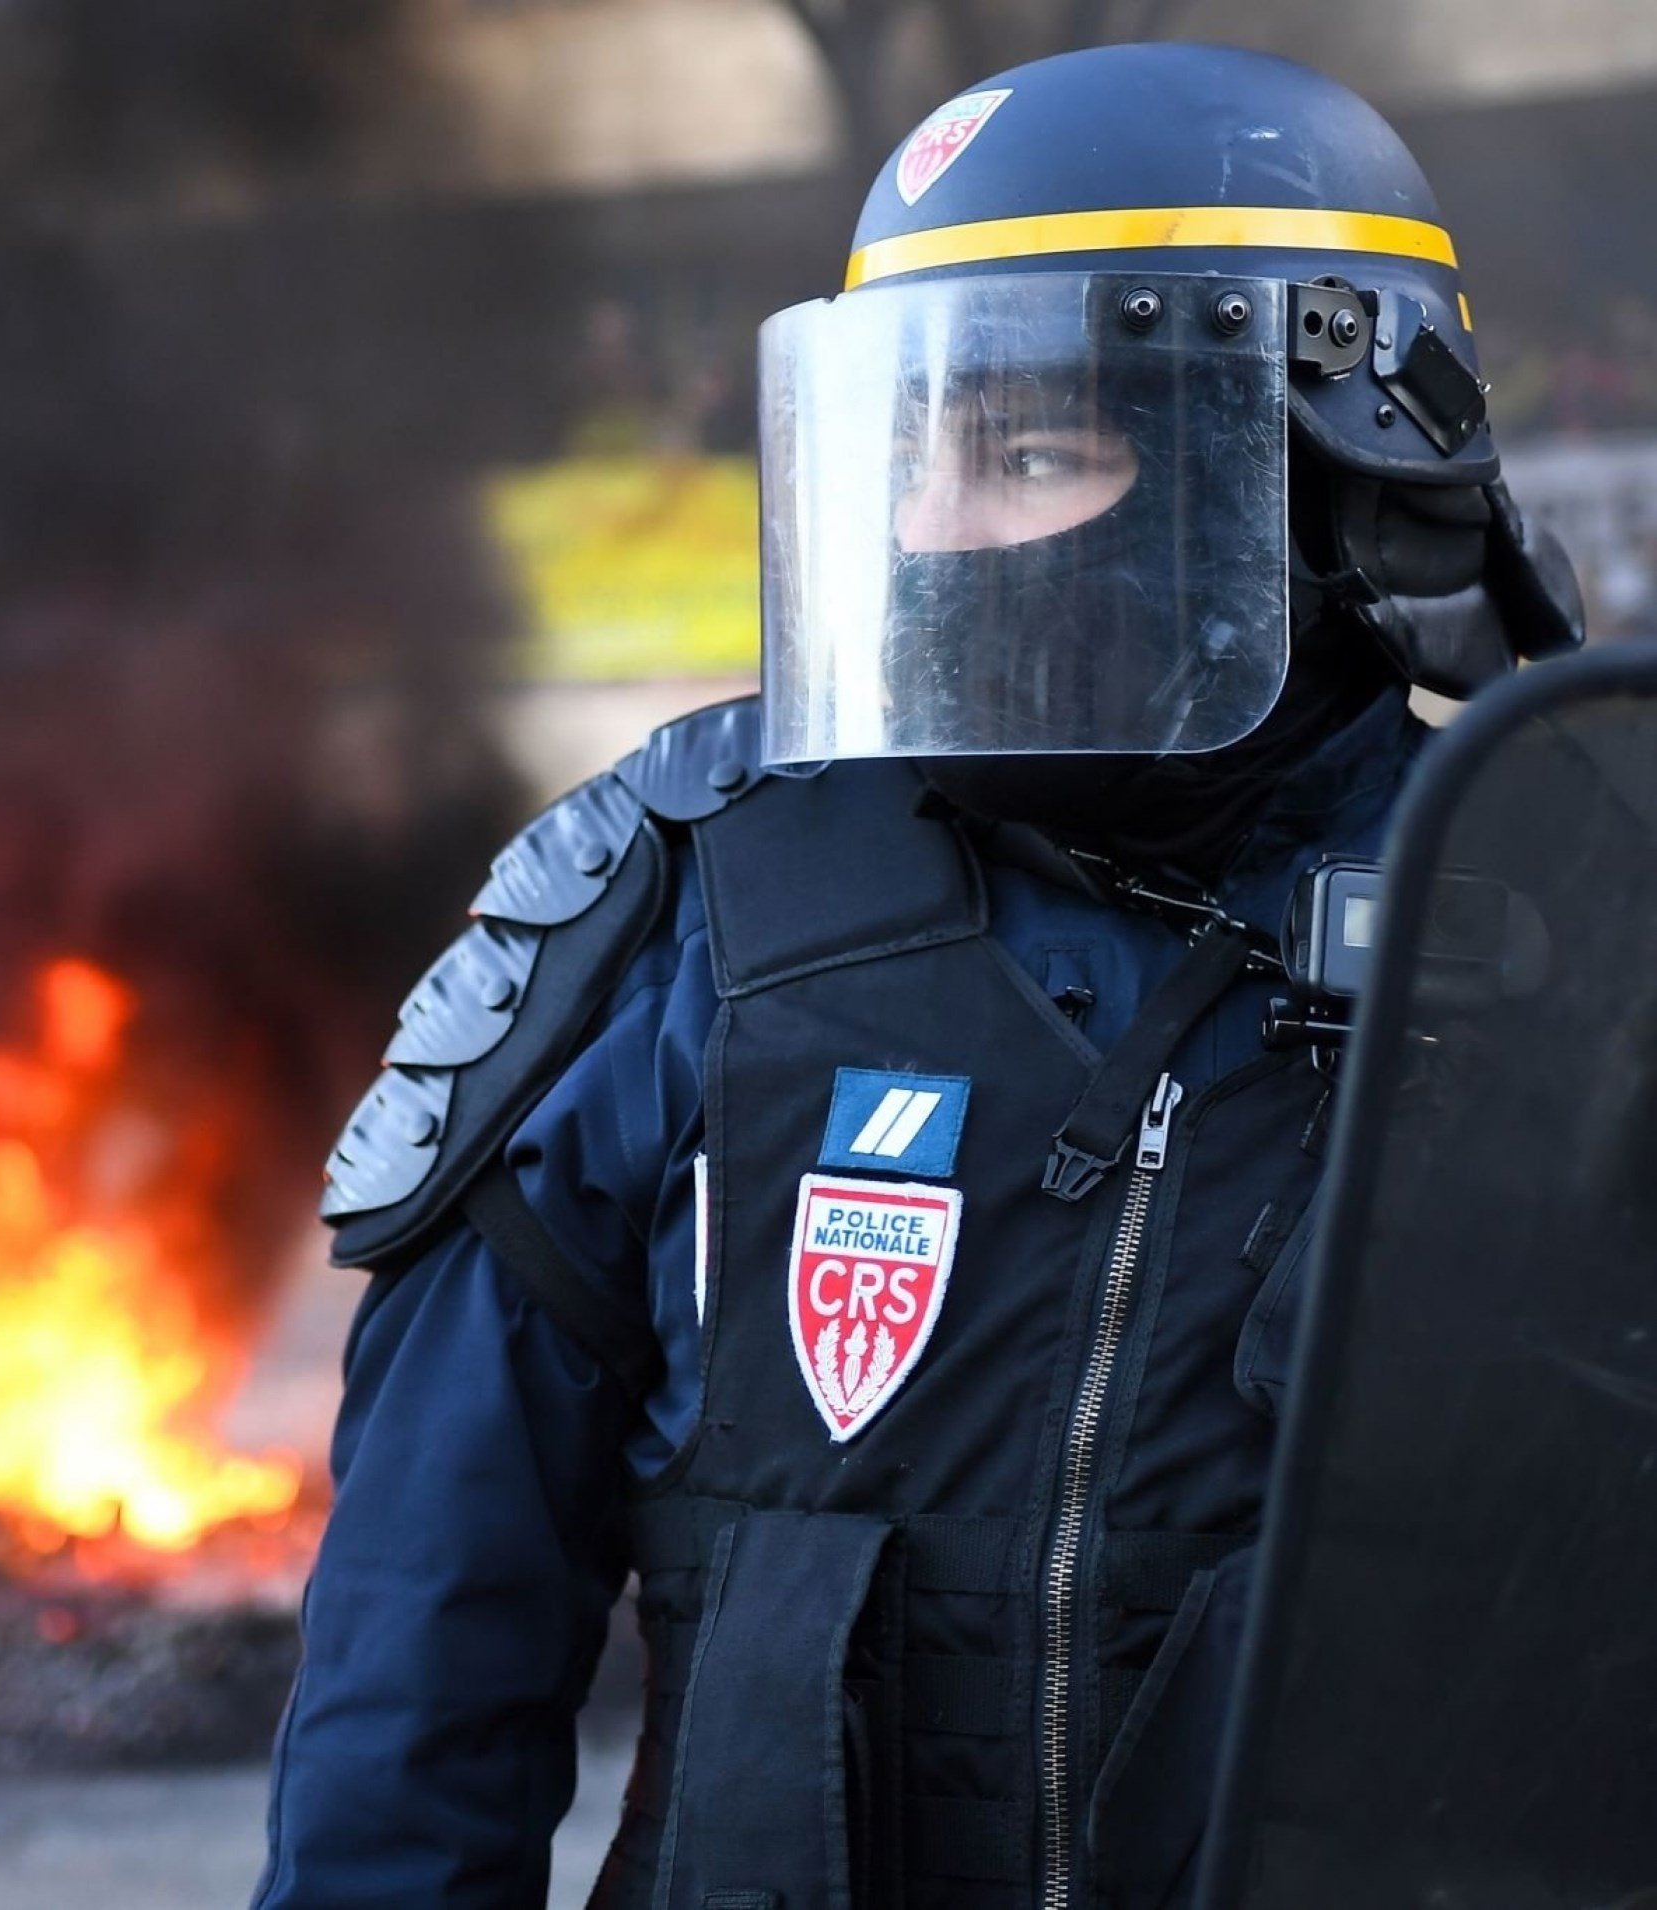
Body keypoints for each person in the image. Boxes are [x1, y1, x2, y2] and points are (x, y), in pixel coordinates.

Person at [260, 46, 1584, 1910]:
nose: (937, 527)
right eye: (918, 447)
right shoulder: (683, 917)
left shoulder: (1578, 939)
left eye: (1035, 449)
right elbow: (421, 1673)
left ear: (1327, 463)